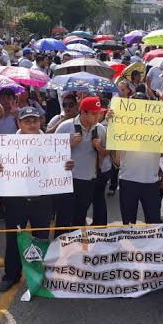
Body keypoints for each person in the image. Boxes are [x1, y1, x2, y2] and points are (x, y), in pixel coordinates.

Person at [0, 106, 74, 292]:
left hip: (42, 201)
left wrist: (67, 165)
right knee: (13, 239)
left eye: (34, 120)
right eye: (27, 120)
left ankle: (38, 276)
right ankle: (11, 276)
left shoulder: (52, 144)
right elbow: (0, 171)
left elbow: (59, 169)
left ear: (40, 122)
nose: (31, 124)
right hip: (16, 202)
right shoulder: (8, 145)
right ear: (19, 123)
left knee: (40, 240)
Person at [108, 94, 163, 225]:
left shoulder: (160, 127)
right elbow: (116, 161)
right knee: (128, 225)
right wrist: (111, 126)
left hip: (151, 183)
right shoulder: (122, 126)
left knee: (153, 224)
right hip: (128, 181)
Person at [55, 97, 107, 232]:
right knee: (63, 218)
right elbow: (51, 155)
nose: (98, 117)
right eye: (94, 114)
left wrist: (100, 148)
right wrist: (69, 145)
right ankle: (60, 249)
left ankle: (76, 249)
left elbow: (104, 155)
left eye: (99, 113)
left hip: (89, 181)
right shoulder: (65, 127)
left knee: (80, 217)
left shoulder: (100, 129)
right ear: (83, 113)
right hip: (67, 180)